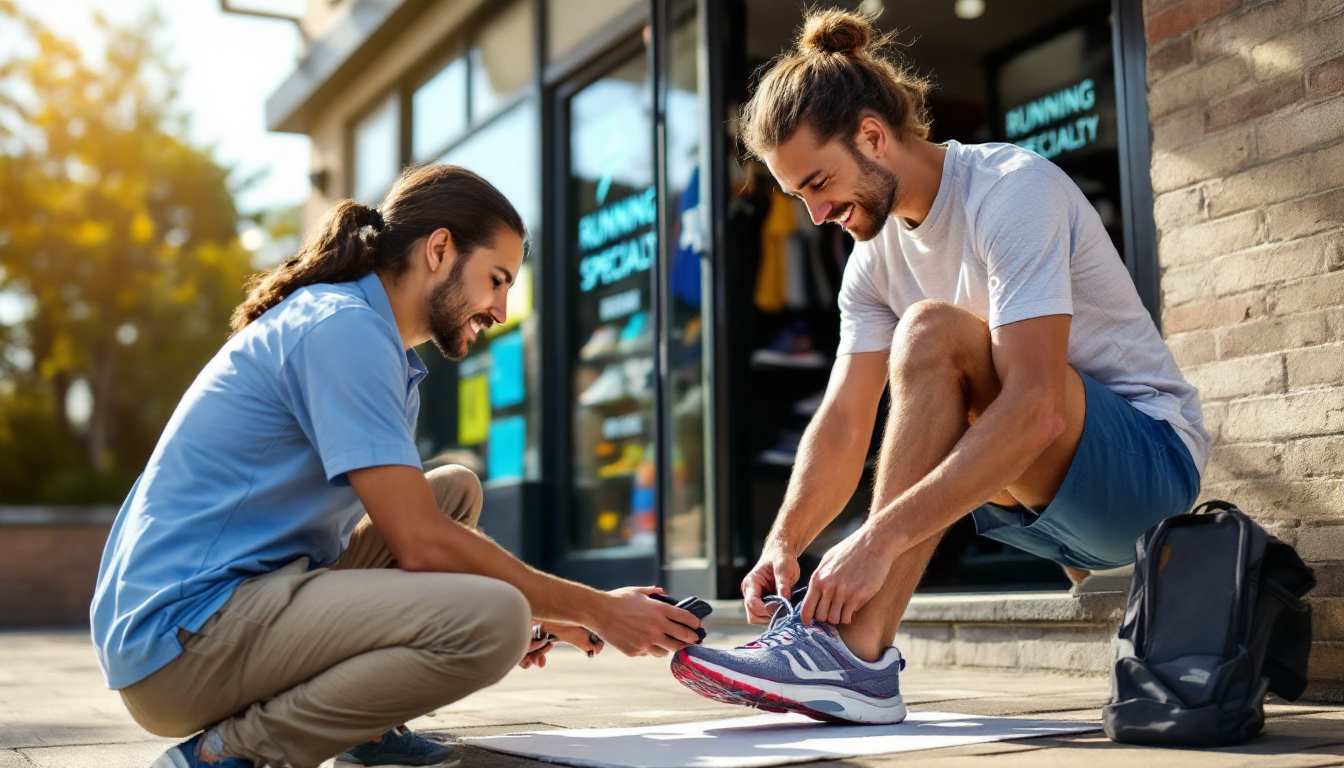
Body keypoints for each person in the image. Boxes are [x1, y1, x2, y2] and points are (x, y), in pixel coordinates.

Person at [672, 9, 1205, 725]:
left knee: (931, 332)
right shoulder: (870, 262)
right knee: (922, 341)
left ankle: (853, 655)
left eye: (820, 182)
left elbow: (1037, 409)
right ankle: (850, 660)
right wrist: (786, 540)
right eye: (800, 197)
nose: (816, 213)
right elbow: (844, 420)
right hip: (1043, 515)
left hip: (1149, 475)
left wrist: (875, 539)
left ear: (873, 136)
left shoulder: (1010, 190)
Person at [90, 164, 702, 768]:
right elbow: (419, 542)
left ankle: (364, 725)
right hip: (181, 643)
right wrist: (596, 610)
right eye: (496, 280)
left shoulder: (372, 339)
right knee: (493, 621)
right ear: (439, 250)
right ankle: (227, 754)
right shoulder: (344, 328)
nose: (501, 310)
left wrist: (553, 616)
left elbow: (413, 536)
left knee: (452, 491)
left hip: (228, 611)